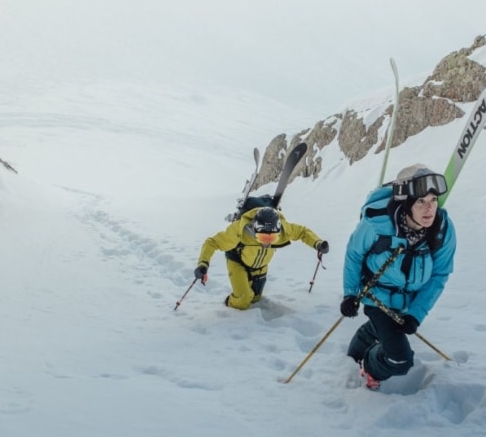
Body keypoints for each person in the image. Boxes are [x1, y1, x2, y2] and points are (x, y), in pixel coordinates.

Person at [340, 164, 456, 390]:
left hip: (409, 301)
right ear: (406, 202)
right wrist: (350, 294)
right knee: (400, 359)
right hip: (377, 296)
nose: (429, 209)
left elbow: (440, 274)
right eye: (420, 201)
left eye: (433, 200)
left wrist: (416, 313)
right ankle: (370, 366)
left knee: (386, 331)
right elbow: (354, 255)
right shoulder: (376, 223)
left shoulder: (442, 229)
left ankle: (366, 338)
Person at [195, 206, 328, 310]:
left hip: (260, 266)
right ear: (254, 230)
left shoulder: (283, 229)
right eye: (263, 238)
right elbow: (212, 242)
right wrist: (203, 264)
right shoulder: (240, 230)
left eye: (272, 238)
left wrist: (317, 243)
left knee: (255, 299)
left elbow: (302, 232)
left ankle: (246, 291)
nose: (267, 242)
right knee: (244, 299)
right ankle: (229, 304)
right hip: (238, 261)